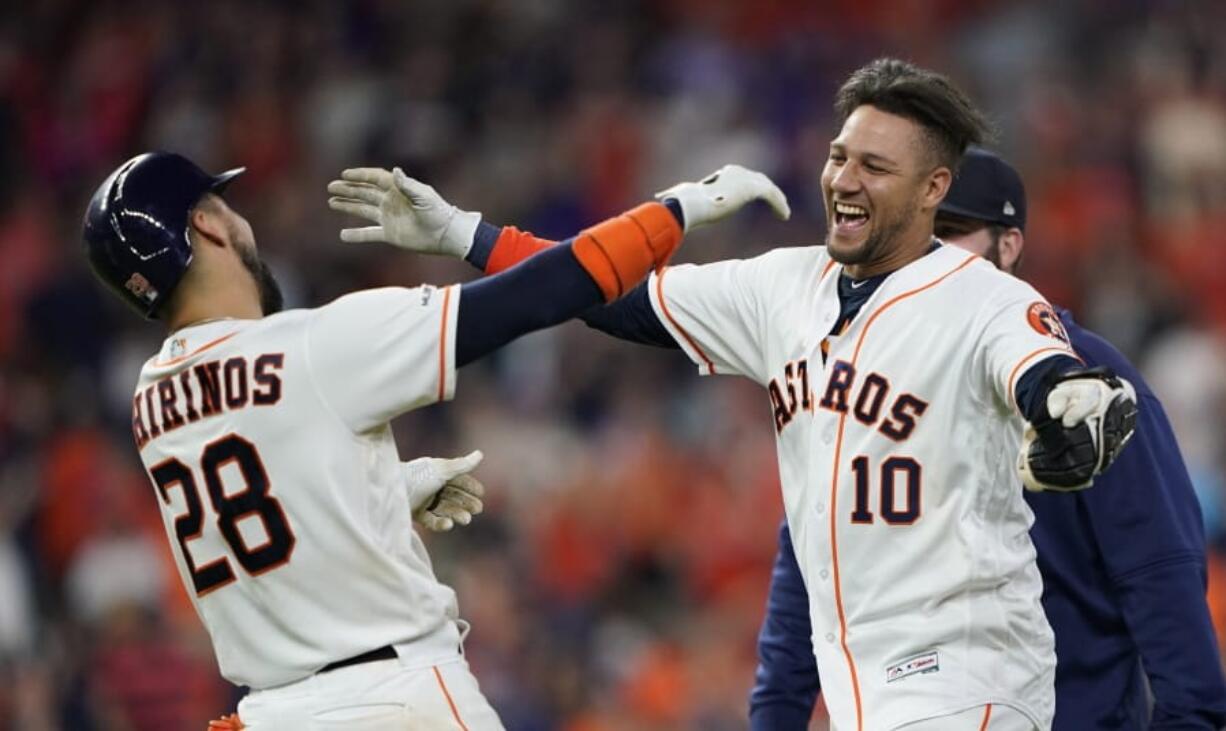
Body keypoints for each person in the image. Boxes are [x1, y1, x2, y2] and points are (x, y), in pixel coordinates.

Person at [327, 58, 1139, 730]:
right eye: (839, 155)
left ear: (933, 190)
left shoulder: (983, 297)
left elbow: (1039, 367)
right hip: (870, 688)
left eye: (875, 167)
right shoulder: (785, 285)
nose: (844, 180)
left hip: (972, 676)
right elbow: (615, 296)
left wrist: (1066, 396)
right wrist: (467, 236)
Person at [81, 152, 786, 730]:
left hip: (271, 712)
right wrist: (677, 210)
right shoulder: (316, 345)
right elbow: (539, 295)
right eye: (223, 205)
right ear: (204, 224)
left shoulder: (151, 398)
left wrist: (385, 494)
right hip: (394, 697)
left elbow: (268, 514)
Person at [749, 148, 1226, 730]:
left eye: (948, 233)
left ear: (1010, 247)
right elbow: (808, 586)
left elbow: (1160, 581)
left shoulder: (1089, 381)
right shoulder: (857, 387)